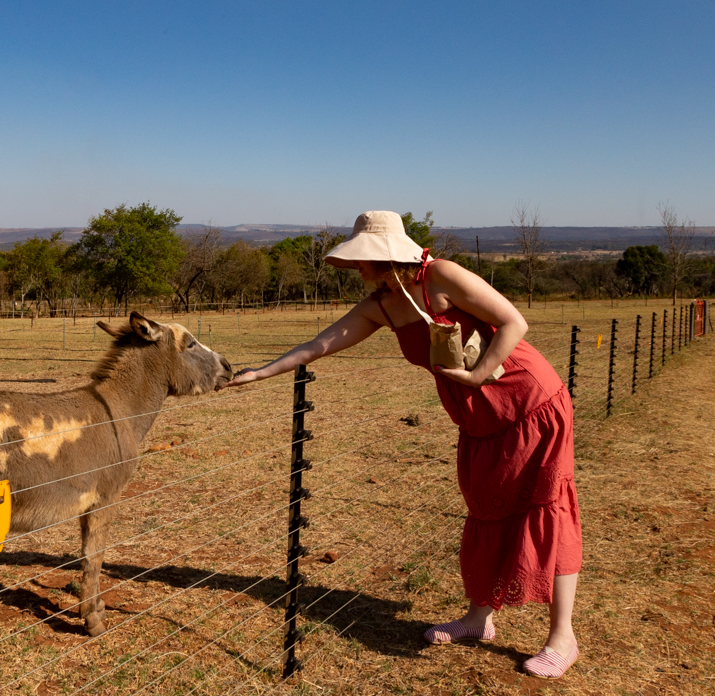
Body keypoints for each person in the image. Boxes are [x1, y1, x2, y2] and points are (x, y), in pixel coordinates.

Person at [225, 210, 582, 679]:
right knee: (486, 508)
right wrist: (259, 372)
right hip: (480, 423)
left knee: (546, 509)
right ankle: (479, 618)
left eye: (363, 262)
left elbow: (514, 323)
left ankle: (562, 637)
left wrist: (476, 376)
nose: (358, 271)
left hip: (531, 403)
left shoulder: (443, 276)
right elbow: (320, 344)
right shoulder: (383, 304)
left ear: (385, 256)